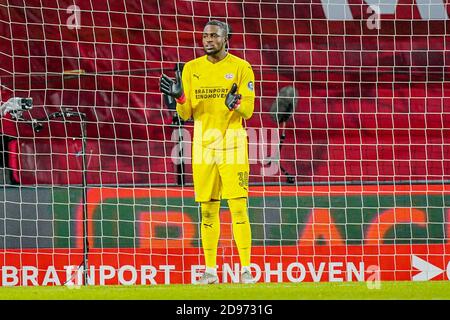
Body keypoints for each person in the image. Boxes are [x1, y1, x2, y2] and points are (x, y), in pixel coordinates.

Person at [160, 20, 256, 284]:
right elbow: (186, 114)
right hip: (202, 145)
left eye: (214, 36)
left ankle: (246, 269)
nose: (207, 40)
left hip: (233, 143)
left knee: (238, 207)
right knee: (207, 210)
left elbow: (248, 111)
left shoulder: (241, 67)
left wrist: (235, 103)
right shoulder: (191, 69)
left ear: (226, 39)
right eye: (204, 36)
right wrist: (179, 98)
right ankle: (211, 271)